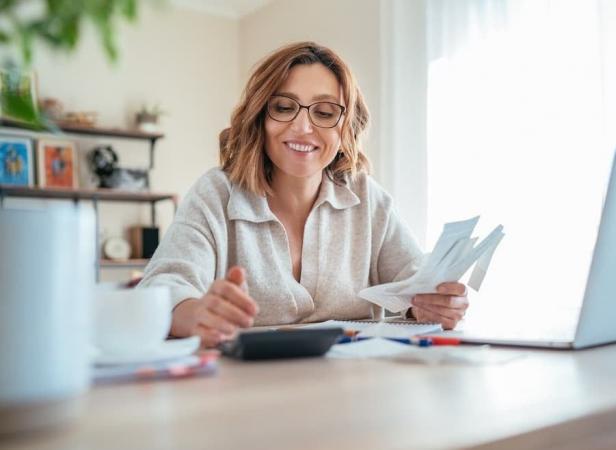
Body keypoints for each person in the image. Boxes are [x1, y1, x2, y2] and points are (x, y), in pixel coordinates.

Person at [139, 42, 469, 348]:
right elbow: (162, 288)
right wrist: (195, 313)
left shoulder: (368, 198)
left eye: (324, 113)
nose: (302, 127)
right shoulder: (215, 194)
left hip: (353, 392)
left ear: (346, 129)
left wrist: (433, 307)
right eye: (284, 107)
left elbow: (415, 286)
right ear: (260, 117)